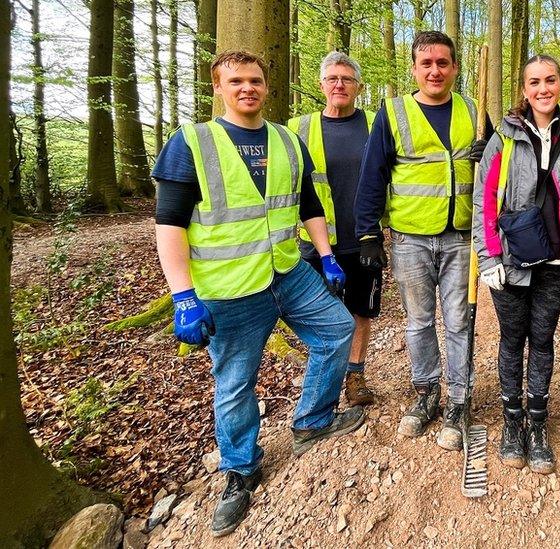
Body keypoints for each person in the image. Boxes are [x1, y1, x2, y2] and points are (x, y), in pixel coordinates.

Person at [153, 50, 365, 537]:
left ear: (267, 86)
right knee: (234, 383)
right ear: (219, 88)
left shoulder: (287, 141)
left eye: (255, 80)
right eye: (236, 81)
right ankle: (241, 471)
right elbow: (169, 226)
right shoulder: (192, 143)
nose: (247, 88)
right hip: (229, 289)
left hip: (287, 272)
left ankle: (312, 420)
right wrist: (183, 296)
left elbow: (307, 202)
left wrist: (326, 254)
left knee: (336, 329)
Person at [472, 55, 560, 473]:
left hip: (556, 261)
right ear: (524, 88)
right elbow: (484, 199)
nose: (543, 89)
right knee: (512, 340)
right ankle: (511, 423)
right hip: (511, 262)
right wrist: (488, 256)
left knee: (543, 340)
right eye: (534, 82)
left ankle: (537, 424)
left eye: (550, 80)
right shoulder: (505, 136)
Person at [354, 31, 491, 452]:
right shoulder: (392, 113)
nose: (435, 70)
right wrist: (367, 231)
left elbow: (496, 172)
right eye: (426, 63)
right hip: (412, 238)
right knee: (417, 321)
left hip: (461, 237)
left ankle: (458, 399)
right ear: (414, 68)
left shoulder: (474, 108)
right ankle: (426, 390)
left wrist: (490, 153)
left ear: (455, 67)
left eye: (443, 63)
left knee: (458, 320)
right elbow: (373, 174)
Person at [287, 51, 379, 407]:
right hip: (315, 241)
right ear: (321, 84)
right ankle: (324, 376)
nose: (339, 84)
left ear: (358, 86)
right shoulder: (297, 128)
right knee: (320, 311)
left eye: (347, 79)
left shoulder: (375, 123)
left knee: (360, 309)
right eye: (332, 78)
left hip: (363, 239)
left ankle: (355, 376)